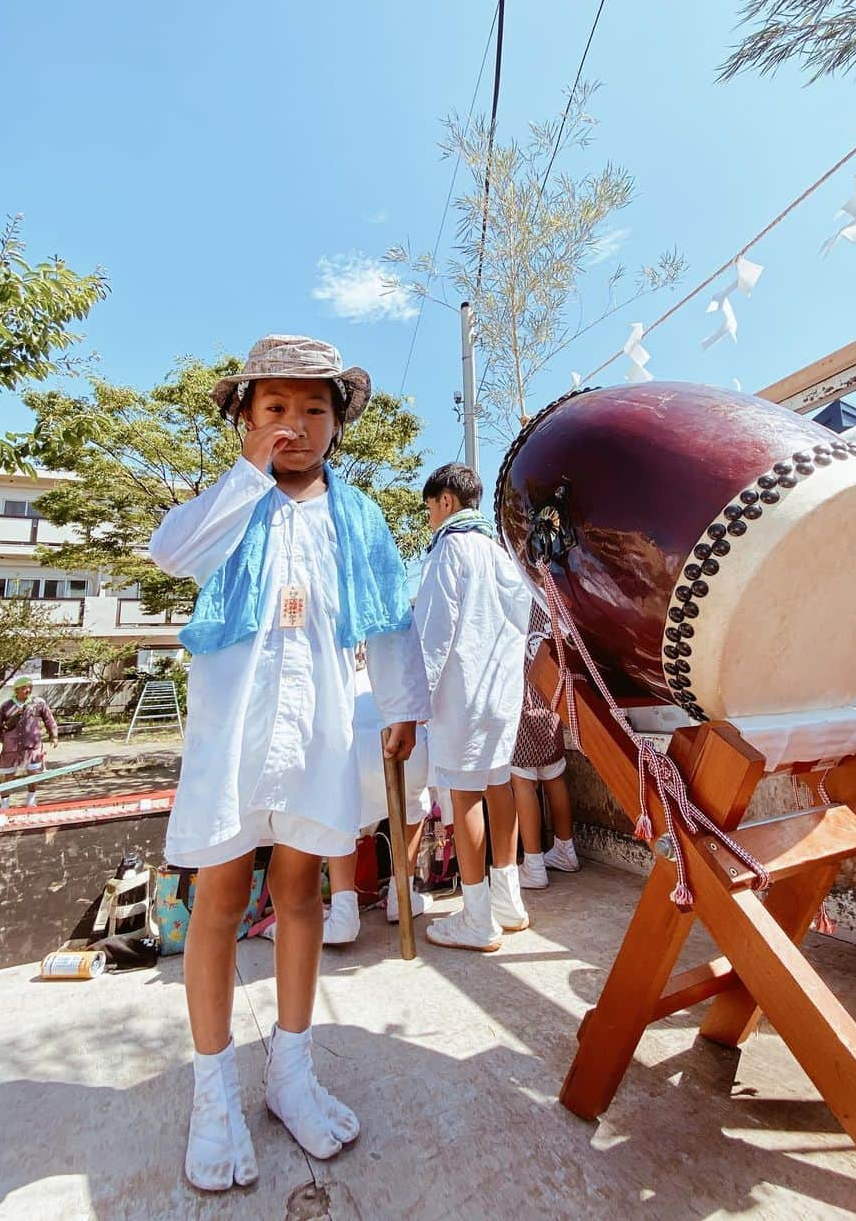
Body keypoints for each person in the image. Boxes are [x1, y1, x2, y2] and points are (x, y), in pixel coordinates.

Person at [149, 334, 429, 1191]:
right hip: (232, 736)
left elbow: (388, 619)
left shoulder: (361, 518)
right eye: (274, 408)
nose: (294, 426)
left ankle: (291, 1075)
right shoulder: (229, 505)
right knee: (220, 898)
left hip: (317, 729)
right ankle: (213, 1092)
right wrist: (242, 479)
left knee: (304, 890)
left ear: (338, 424)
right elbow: (174, 554)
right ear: (244, 418)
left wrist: (403, 707)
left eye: (314, 409)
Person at [414, 462, 531, 952]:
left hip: (462, 694)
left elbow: (433, 633)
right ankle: (508, 901)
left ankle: (477, 916)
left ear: (445, 501)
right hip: (503, 694)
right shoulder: (503, 554)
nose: (428, 520)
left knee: (464, 795)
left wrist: (415, 697)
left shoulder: (450, 550)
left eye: (428, 510)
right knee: (498, 784)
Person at [321, 655, 431, 945]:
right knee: (413, 808)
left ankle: (343, 910)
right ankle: (401, 894)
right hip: (406, 733)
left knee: (343, 818)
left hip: (352, 737)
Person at [511, 603, 581, 889]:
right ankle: (566, 850)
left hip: (519, 699)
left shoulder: (511, 593)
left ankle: (534, 863)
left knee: (522, 781)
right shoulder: (545, 598)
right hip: (551, 695)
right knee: (554, 773)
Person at [0, 673, 58, 809]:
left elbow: (49, 719)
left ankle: (30, 801)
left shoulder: (38, 703)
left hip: (32, 746)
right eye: (25, 688)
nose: (28, 690)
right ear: (17, 690)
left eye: (30, 687)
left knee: (33, 774)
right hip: (11, 747)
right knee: (7, 776)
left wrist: (54, 735)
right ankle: (4, 805)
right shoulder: (6, 706)